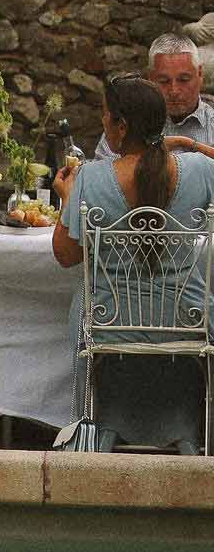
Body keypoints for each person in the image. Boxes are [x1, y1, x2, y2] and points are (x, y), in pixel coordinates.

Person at [51, 76, 214, 453]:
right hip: (187, 319)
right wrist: (190, 146)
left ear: (121, 127)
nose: (104, 125)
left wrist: (67, 198)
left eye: (106, 117)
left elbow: (65, 255)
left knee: (81, 303)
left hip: (110, 324)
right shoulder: (198, 171)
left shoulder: (90, 178)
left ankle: (89, 429)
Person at [94, 33, 214, 159]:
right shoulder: (124, 125)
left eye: (183, 80)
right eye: (164, 81)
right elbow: (103, 174)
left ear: (200, 74)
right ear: (150, 78)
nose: (174, 91)